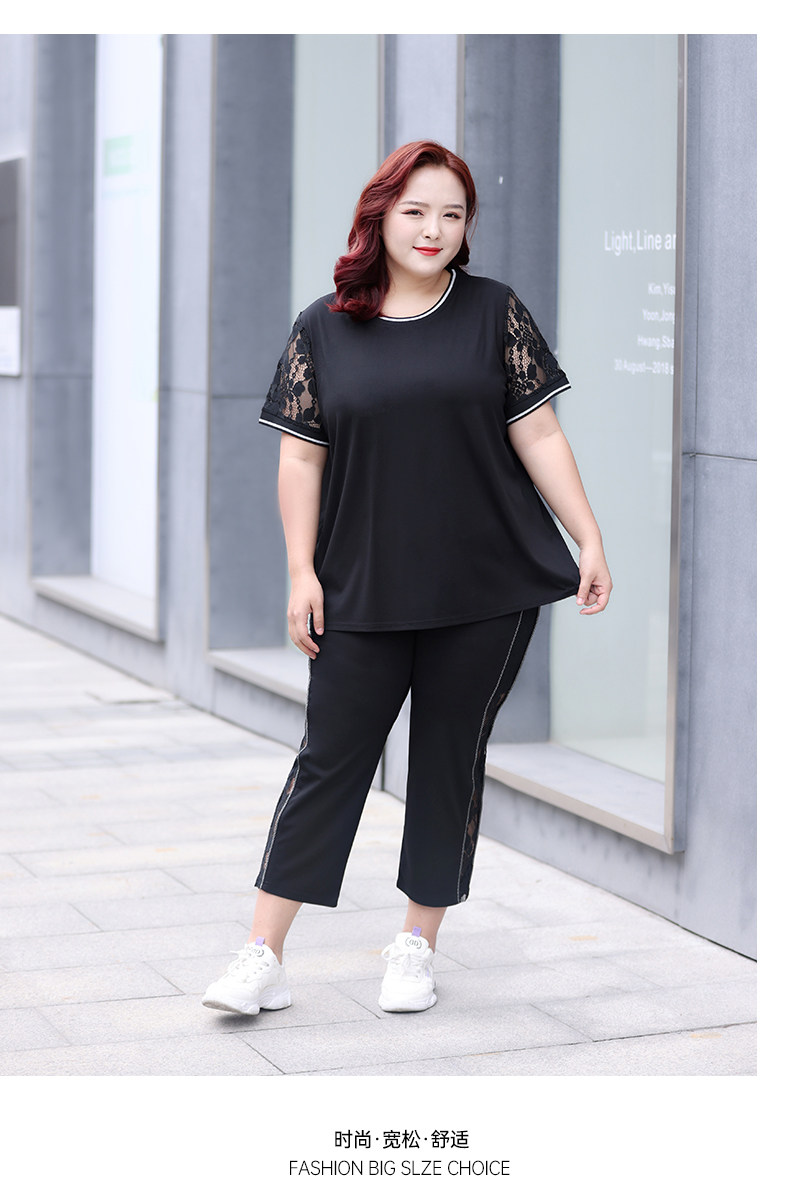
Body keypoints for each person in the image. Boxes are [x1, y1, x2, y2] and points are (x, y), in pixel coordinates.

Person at [202, 140, 612, 1017]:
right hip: (360, 584)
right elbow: (300, 458)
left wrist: (588, 537)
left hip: (486, 588)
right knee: (329, 758)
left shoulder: (494, 312)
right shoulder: (324, 326)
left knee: (448, 759)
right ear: (380, 216)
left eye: (452, 214)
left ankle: (417, 945)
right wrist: (301, 571)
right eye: (417, 210)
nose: (434, 229)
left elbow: (539, 432)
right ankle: (262, 952)